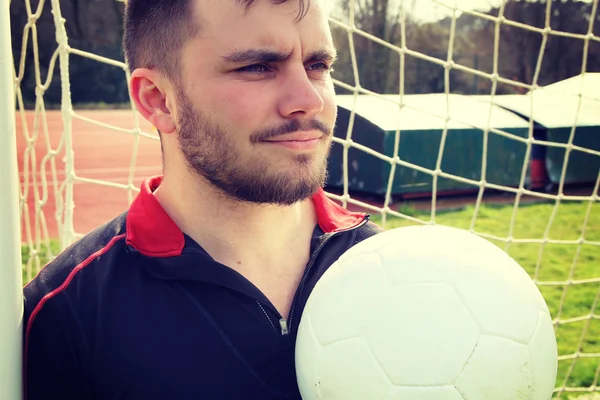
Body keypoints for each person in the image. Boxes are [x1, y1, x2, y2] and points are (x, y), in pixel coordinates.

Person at [22, 0, 382, 398]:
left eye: (318, 66)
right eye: (257, 67)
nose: (310, 100)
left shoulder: (394, 268)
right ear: (158, 99)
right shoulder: (71, 311)